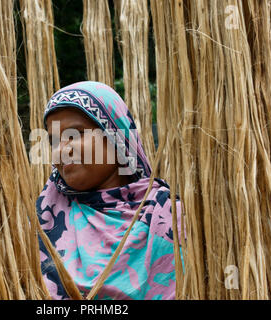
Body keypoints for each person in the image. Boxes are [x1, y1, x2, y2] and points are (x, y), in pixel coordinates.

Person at [36, 81, 182, 300]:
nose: (61, 151)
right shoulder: (43, 219)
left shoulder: (165, 214)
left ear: (116, 134)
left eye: (75, 134)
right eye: (53, 141)